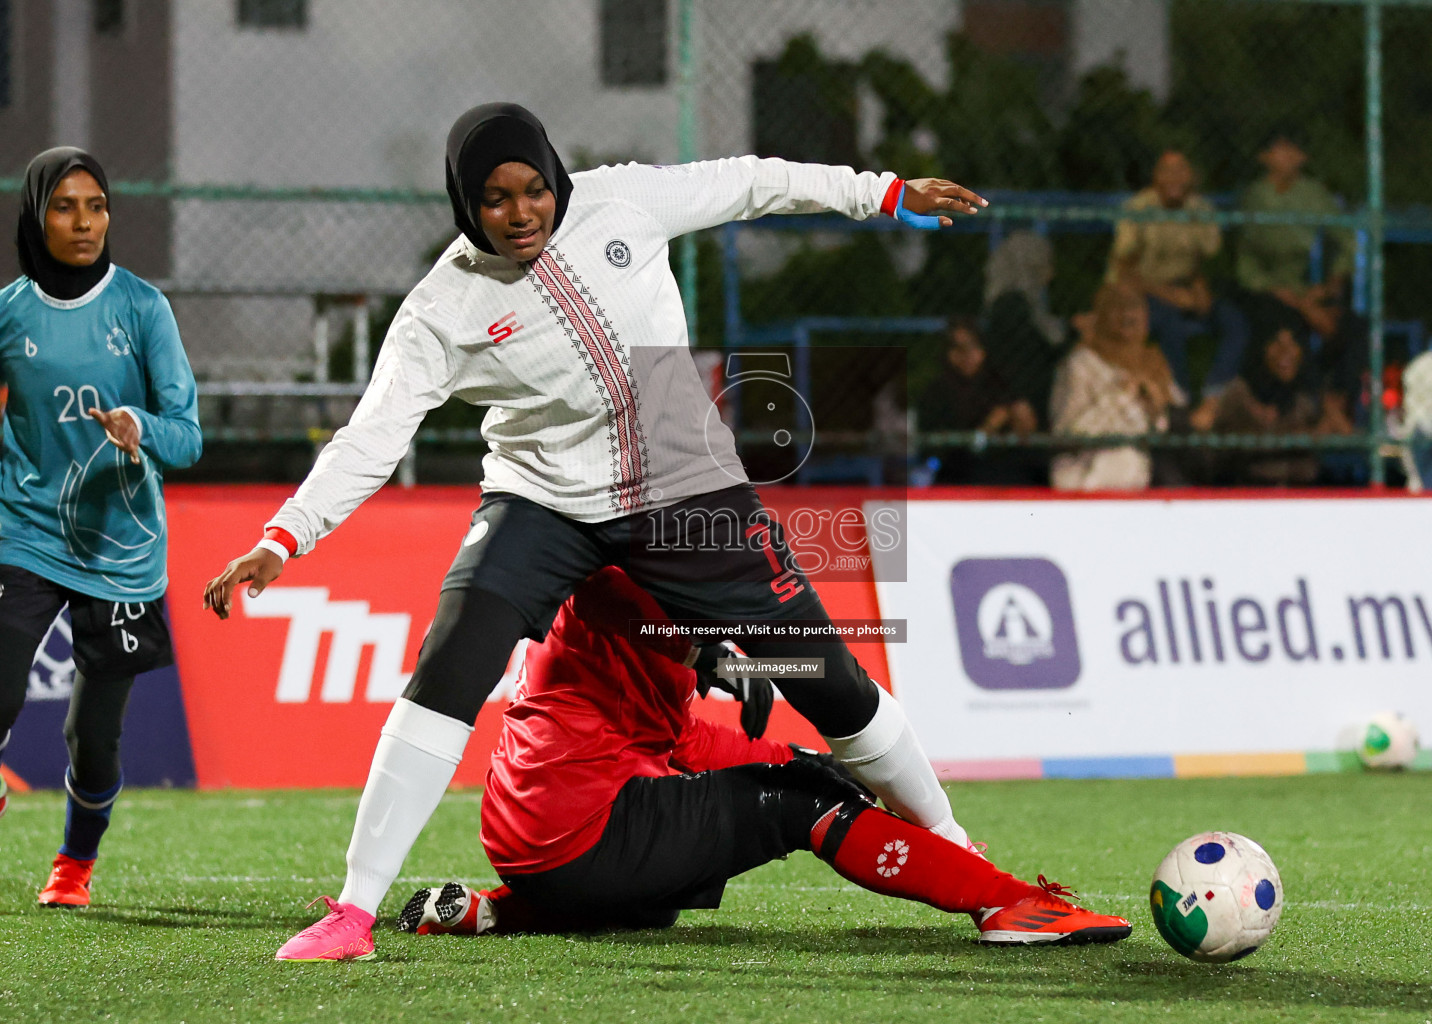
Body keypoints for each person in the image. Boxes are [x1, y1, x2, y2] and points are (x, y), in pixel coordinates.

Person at [201, 103, 991, 962]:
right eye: (495, 198)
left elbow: (756, 183)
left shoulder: (624, 202)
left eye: (534, 189)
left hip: (685, 489)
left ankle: (959, 852)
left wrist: (879, 193)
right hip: (544, 499)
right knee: (452, 659)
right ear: (466, 204)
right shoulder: (442, 309)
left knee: (825, 677)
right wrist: (284, 538)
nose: (520, 212)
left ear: (557, 178)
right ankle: (353, 915)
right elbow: (372, 435)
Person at [394, 567, 1131, 947]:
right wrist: (725, 659)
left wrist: (804, 754)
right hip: (582, 828)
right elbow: (635, 611)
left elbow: (679, 738)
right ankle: (1007, 904)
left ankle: (496, 913)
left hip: (535, 837)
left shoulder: (616, 579)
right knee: (797, 805)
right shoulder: (618, 580)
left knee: (662, 900)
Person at [0, 148, 202, 905]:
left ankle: (74, 864)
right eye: (64, 206)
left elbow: (189, 437)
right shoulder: (9, 314)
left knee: (93, 739)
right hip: (21, 532)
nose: (83, 222)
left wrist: (139, 427)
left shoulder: (143, 308)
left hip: (122, 548)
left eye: (96, 206)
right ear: (36, 214)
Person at [1234, 131, 1363, 437]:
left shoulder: (1313, 194)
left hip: (1305, 290)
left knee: (1356, 328)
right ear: (1264, 158)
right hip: (1267, 292)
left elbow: (1348, 242)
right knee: (1287, 333)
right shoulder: (1255, 197)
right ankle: (1309, 414)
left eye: (1293, 150)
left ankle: (1337, 405)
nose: (1287, 157)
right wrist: (1303, 305)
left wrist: (1331, 284)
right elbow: (1247, 266)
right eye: (1279, 150)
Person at [1108, 150, 1247, 419]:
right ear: (1155, 177)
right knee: (1168, 323)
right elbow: (1125, 270)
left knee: (1235, 322)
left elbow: (1209, 261)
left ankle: (1212, 398)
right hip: (1143, 291)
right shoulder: (1137, 209)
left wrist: (1199, 290)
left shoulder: (1201, 210)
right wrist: (1171, 295)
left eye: (1181, 170)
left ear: (1191, 177)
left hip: (1186, 287)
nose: (1174, 177)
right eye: (1166, 171)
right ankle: (1179, 405)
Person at [1049, 282, 1184, 491]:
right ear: (1102, 315)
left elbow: (1174, 423)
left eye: (1134, 307)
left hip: (1146, 469)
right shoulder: (1081, 364)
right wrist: (1122, 394)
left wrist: (1156, 406)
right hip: (1087, 472)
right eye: (1117, 307)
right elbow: (1068, 433)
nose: (1127, 314)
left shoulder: (1153, 361)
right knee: (1124, 458)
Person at [1209, 306, 1322, 486]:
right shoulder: (1237, 393)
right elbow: (1216, 456)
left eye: (1293, 342)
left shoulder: (1306, 399)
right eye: (1276, 342)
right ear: (1260, 346)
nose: (1285, 352)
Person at [916, 317, 1036, 484]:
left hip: (1003, 475)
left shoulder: (998, 383)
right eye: (957, 348)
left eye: (973, 346)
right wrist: (984, 431)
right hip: (956, 476)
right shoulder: (937, 391)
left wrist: (1009, 417)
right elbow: (935, 451)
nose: (966, 355)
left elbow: (1026, 425)